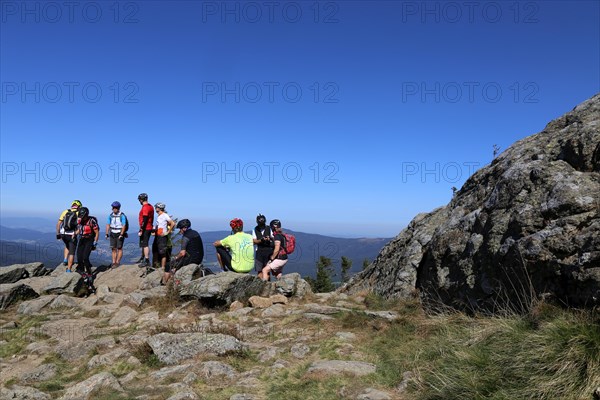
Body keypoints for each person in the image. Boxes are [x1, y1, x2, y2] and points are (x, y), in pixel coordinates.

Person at [56, 200, 82, 272]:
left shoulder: (65, 211)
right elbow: (79, 227)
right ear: (79, 206)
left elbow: (58, 224)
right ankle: (69, 269)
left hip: (63, 233)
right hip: (72, 234)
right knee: (72, 252)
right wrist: (76, 234)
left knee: (67, 245)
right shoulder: (79, 213)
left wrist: (58, 234)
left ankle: (65, 260)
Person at [152, 202, 175, 284]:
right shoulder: (160, 216)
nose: (155, 208)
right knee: (159, 251)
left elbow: (172, 223)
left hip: (162, 236)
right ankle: (161, 267)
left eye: (156, 207)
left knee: (163, 252)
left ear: (159, 208)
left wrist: (168, 232)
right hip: (158, 235)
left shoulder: (165, 215)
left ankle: (162, 267)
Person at [76, 207, 99, 277]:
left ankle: (89, 272)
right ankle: (81, 270)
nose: (82, 218)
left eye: (83, 216)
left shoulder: (92, 221)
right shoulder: (80, 221)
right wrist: (74, 234)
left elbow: (97, 232)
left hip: (89, 239)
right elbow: (79, 230)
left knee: (85, 257)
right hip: (82, 239)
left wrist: (95, 242)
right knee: (79, 256)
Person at [105, 201, 127, 269]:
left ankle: (117, 262)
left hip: (119, 233)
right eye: (113, 207)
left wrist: (121, 234)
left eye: (115, 208)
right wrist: (106, 233)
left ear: (118, 208)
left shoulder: (122, 215)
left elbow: (124, 225)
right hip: (112, 232)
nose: (114, 209)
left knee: (119, 248)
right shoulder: (110, 215)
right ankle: (113, 262)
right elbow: (108, 224)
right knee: (113, 248)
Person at [252, 213, 273, 279]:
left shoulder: (269, 229)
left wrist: (269, 239)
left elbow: (274, 238)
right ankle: (260, 285)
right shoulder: (255, 229)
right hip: (259, 251)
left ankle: (267, 286)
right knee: (259, 271)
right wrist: (261, 240)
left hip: (268, 251)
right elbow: (254, 241)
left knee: (267, 270)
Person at [137, 193, 154, 267]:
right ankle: (143, 258)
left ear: (141, 200)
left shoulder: (145, 207)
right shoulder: (150, 206)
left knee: (145, 244)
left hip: (146, 228)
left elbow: (145, 218)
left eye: (139, 200)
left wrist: (141, 229)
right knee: (144, 244)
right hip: (148, 227)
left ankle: (146, 260)